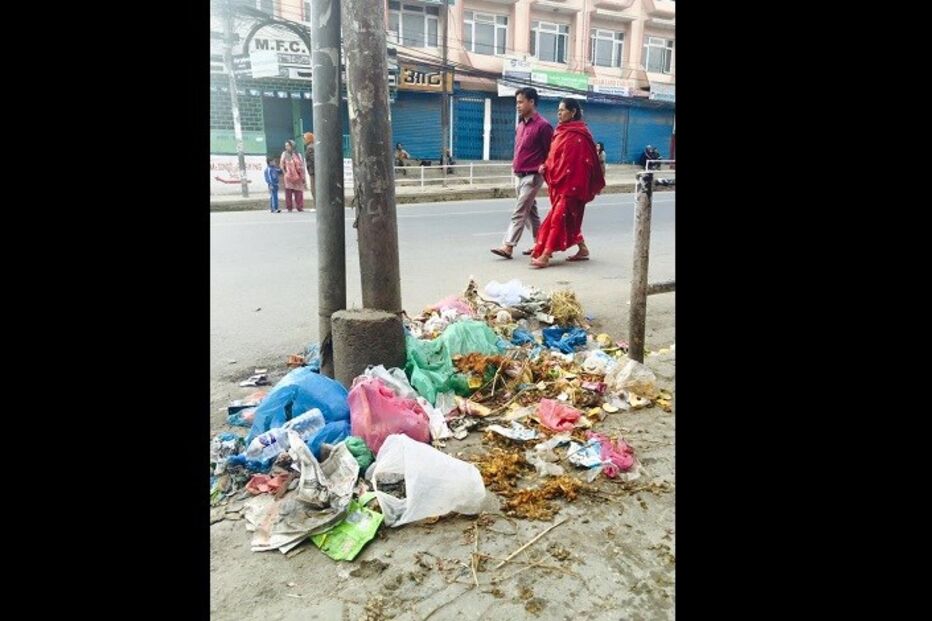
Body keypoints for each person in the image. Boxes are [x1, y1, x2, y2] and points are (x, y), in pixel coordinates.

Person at [529, 98, 605, 268]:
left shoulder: (580, 134)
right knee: (570, 218)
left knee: (558, 218)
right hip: (561, 181)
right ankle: (583, 249)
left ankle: (546, 255)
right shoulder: (560, 131)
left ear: (573, 112)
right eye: (558, 110)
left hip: (573, 184)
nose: (559, 113)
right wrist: (546, 167)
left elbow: (584, 161)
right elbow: (555, 156)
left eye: (562, 110)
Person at [491, 87, 553, 259]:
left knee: (519, 211)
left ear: (531, 102)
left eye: (520, 102)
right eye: (516, 102)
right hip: (519, 174)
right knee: (530, 214)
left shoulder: (543, 126)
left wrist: (544, 168)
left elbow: (551, 152)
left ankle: (508, 246)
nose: (517, 105)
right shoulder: (520, 125)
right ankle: (540, 244)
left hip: (533, 176)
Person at [280, 139, 306, 212]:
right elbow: (282, 165)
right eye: (286, 146)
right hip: (288, 176)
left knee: (299, 192)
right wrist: (285, 173)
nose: (286, 147)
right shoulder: (284, 154)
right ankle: (289, 207)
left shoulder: (298, 154)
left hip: (298, 176)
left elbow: (301, 165)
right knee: (288, 193)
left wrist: (302, 176)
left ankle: (299, 207)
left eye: (288, 145)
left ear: (292, 146)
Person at [303, 132, 316, 207]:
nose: (304, 141)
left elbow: (313, 159)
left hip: (313, 171)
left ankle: (317, 206)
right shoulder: (313, 146)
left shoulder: (310, 148)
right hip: (314, 171)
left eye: (305, 139)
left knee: (314, 190)